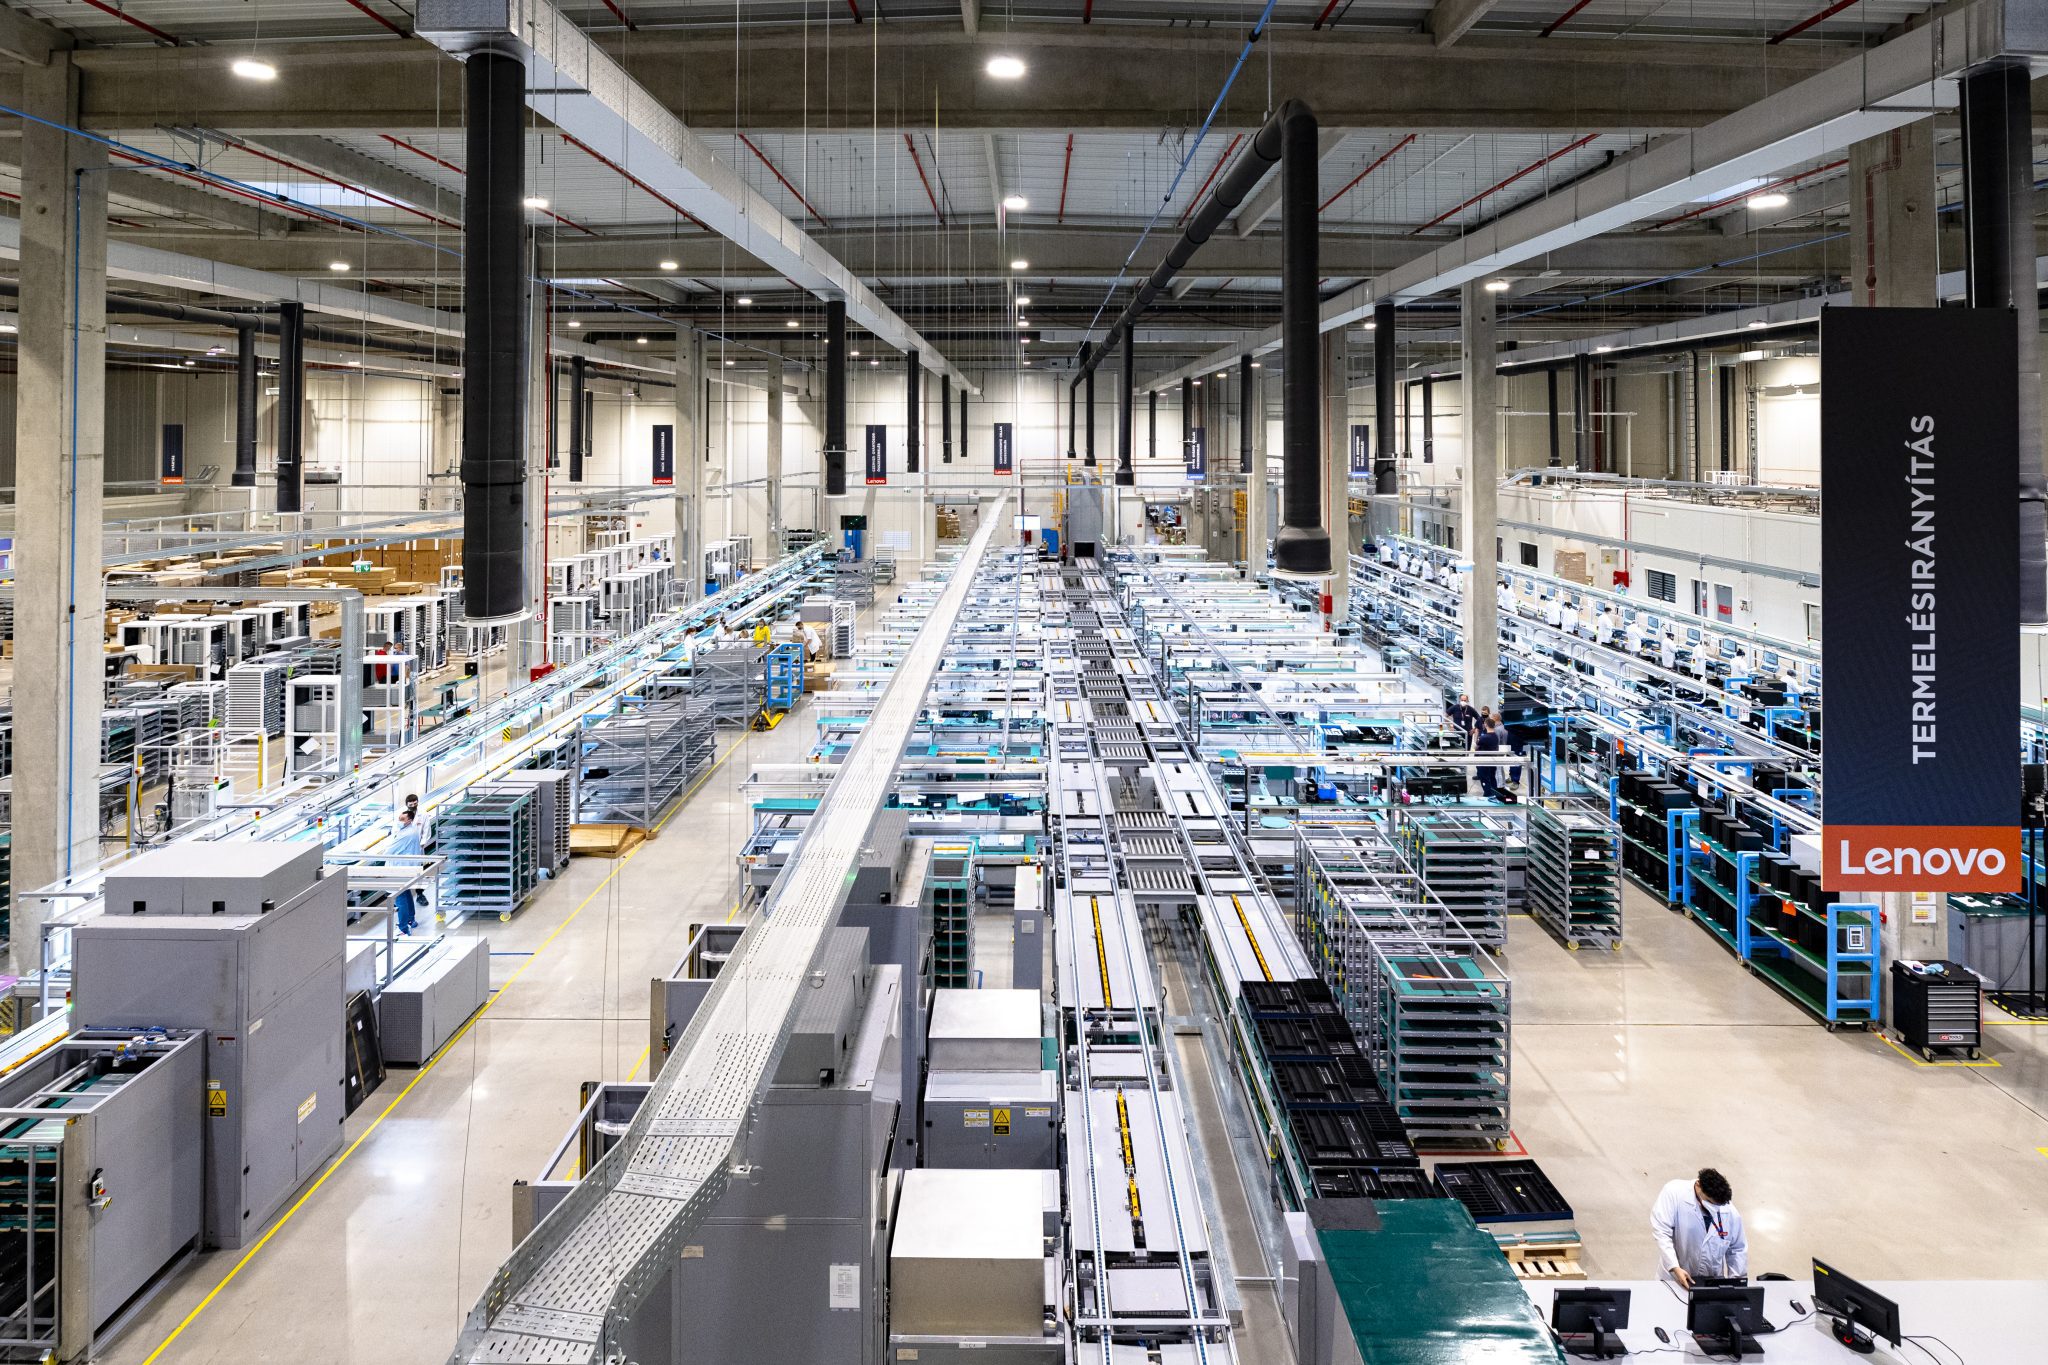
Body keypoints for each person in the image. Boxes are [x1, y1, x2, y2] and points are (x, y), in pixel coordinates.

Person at [1651, 1168, 1748, 1289]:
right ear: (1698, 1185)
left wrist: (1736, 1284)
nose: (1713, 1208)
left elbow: (1737, 1249)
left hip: (1711, 1284)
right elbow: (1662, 1232)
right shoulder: (1674, 1192)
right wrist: (1674, 1267)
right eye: (1708, 1201)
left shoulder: (1729, 1211)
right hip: (1673, 1279)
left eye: (1717, 1205)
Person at [389, 808, 424, 936]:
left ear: (409, 820)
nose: (399, 821)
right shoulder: (411, 830)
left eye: (402, 819)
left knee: (400, 897)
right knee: (406, 892)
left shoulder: (406, 834)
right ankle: (411, 919)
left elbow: (389, 851)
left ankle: (403, 928)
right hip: (408, 867)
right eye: (399, 818)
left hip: (401, 868)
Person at [1474, 716, 1505, 799]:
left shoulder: (1484, 737)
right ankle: (1494, 792)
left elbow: (1476, 747)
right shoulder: (1495, 736)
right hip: (1493, 759)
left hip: (1483, 760)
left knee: (1484, 776)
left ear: (1486, 725)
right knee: (1492, 776)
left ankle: (1487, 793)